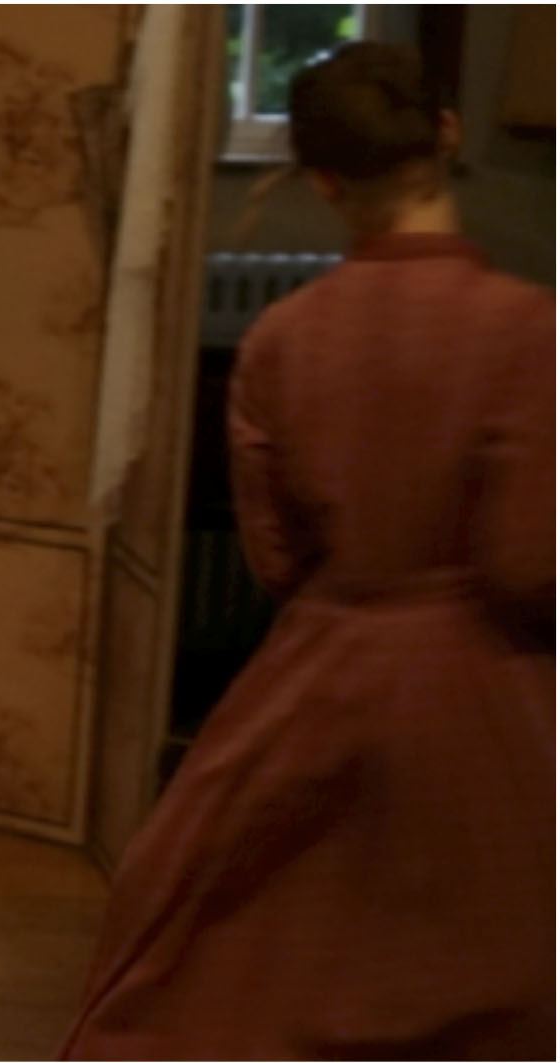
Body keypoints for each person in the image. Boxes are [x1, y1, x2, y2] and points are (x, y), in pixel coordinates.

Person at [61, 41, 555, 1059]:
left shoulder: (281, 337)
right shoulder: (532, 331)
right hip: (484, 695)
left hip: (320, 673)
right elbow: (527, 562)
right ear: (447, 132)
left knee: (233, 962)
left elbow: (277, 560)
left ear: (321, 180)